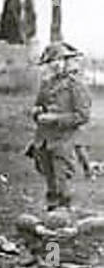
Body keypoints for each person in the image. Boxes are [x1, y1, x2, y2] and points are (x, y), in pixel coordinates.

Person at [28, 41, 92, 211]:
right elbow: (38, 106)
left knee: (62, 182)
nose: (54, 65)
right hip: (43, 140)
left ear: (65, 61)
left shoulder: (75, 85)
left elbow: (82, 116)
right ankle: (51, 216)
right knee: (50, 183)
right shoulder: (46, 84)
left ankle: (64, 218)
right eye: (49, 62)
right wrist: (36, 112)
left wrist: (55, 118)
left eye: (57, 60)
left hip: (64, 140)